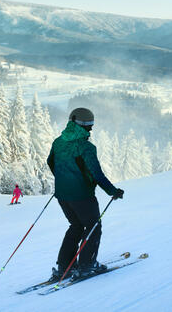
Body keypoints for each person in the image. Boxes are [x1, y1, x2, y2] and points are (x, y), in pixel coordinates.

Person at [46, 107, 124, 280]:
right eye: (90, 126)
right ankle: (87, 266)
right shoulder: (86, 147)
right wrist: (113, 191)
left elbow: (50, 162)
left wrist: (64, 179)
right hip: (82, 196)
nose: (91, 129)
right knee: (93, 227)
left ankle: (64, 267)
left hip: (62, 195)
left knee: (75, 226)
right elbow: (96, 174)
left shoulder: (58, 142)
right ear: (84, 126)